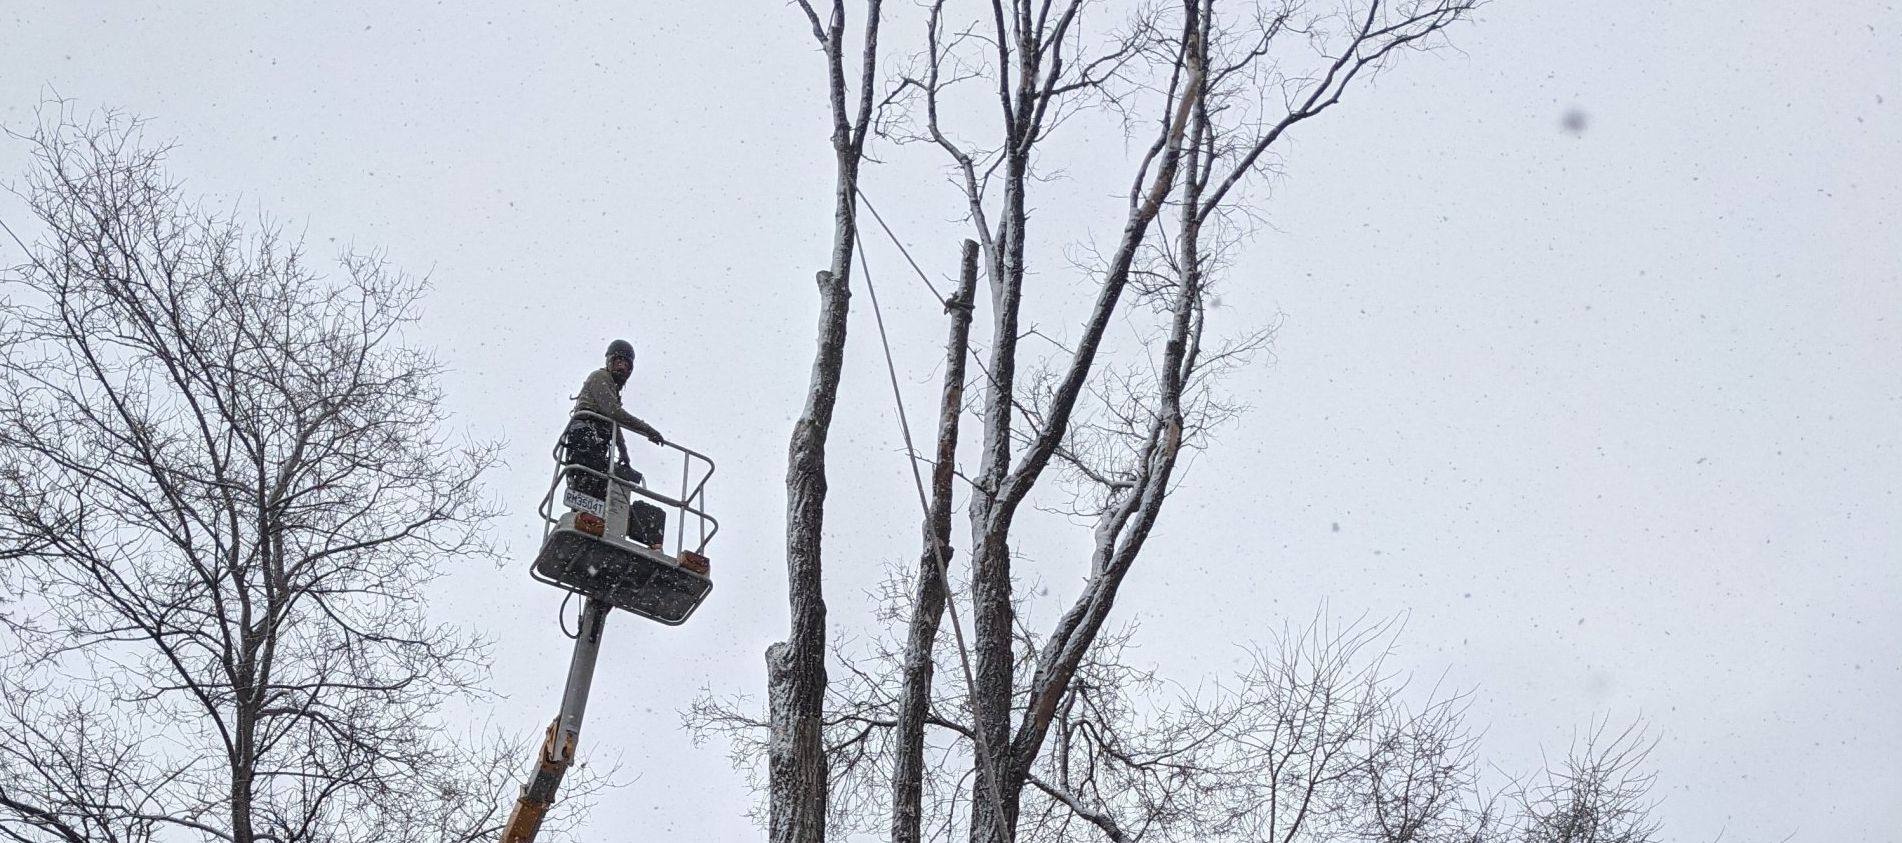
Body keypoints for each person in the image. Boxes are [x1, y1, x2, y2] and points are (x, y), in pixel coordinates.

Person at [564, 339, 665, 508]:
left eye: (627, 364)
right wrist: (648, 430)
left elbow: (612, 423)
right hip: (585, 437)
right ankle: (582, 513)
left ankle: (592, 518)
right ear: (609, 361)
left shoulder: (612, 388)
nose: (622, 367)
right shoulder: (600, 377)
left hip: (596, 442)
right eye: (619, 361)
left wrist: (623, 452)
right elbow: (614, 413)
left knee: (602, 492)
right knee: (587, 486)